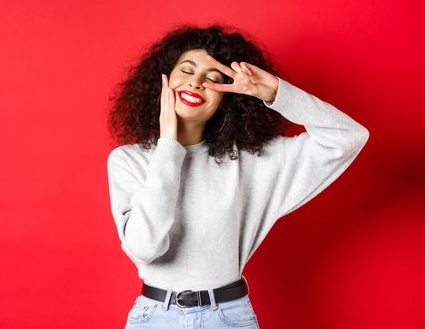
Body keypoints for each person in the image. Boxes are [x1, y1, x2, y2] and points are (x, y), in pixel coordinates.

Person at [105, 24, 369, 328]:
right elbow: (146, 248)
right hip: (154, 317)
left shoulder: (252, 162)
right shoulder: (129, 160)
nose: (196, 83)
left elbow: (347, 137)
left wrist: (275, 92)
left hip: (227, 317)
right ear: (162, 79)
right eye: (187, 71)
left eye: (213, 79)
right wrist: (169, 145)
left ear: (226, 98)